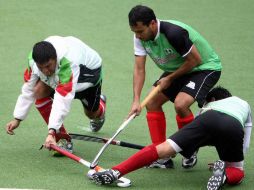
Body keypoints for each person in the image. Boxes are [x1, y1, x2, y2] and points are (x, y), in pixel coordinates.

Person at [92, 86, 252, 190]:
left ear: (212, 100)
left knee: (161, 149)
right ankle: (224, 175)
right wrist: (231, 160)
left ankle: (116, 171)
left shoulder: (207, 108)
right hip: (234, 125)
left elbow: (195, 141)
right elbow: (246, 133)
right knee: (236, 170)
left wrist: (178, 150)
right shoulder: (244, 104)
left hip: (207, 120)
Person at [127, 5, 222, 168]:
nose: (138, 36)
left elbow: (195, 61)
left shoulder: (173, 33)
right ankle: (161, 154)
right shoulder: (139, 38)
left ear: (152, 24)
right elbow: (139, 69)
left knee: (181, 104)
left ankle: (189, 149)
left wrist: (169, 78)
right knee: (151, 103)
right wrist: (136, 100)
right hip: (177, 69)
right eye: (135, 32)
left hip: (204, 68)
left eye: (140, 31)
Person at [5, 36, 107, 152]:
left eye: (48, 66)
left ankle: (100, 106)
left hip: (87, 75)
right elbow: (28, 89)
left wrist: (51, 130)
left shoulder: (68, 61)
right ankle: (62, 139)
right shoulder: (33, 61)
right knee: (38, 91)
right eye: (41, 68)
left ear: (55, 58)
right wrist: (17, 118)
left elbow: (62, 99)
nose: (45, 71)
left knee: (92, 114)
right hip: (60, 76)